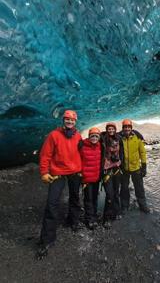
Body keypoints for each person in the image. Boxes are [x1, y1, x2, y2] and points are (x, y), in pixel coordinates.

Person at [36, 110, 82, 260]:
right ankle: (47, 240)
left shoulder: (78, 135)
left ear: (75, 122)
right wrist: (44, 172)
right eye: (67, 119)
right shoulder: (54, 135)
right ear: (63, 120)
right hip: (58, 173)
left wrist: (83, 171)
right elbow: (45, 155)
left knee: (75, 198)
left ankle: (73, 222)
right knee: (52, 204)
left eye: (72, 120)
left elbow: (82, 154)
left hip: (75, 172)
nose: (69, 122)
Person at [119, 119, 150, 214]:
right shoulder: (119, 137)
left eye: (129, 127)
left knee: (139, 188)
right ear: (123, 128)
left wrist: (144, 166)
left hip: (136, 167)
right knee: (124, 188)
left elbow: (142, 152)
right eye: (125, 127)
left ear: (131, 128)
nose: (127, 129)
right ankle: (124, 206)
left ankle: (142, 204)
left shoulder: (137, 137)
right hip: (124, 168)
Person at [101, 122, 124, 228]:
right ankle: (106, 218)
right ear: (106, 130)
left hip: (117, 168)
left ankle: (117, 212)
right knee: (109, 194)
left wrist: (121, 161)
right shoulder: (103, 139)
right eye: (109, 129)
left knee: (116, 192)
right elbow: (94, 139)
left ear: (115, 129)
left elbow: (122, 152)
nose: (111, 131)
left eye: (112, 129)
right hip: (107, 170)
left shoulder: (119, 138)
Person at [79, 127, 102, 230]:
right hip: (86, 179)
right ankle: (89, 219)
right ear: (89, 137)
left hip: (96, 178)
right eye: (92, 136)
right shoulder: (82, 146)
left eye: (96, 136)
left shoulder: (100, 146)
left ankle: (94, 215)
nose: (94, 138)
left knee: (95, 197)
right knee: (88, 199)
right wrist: (81, 176)